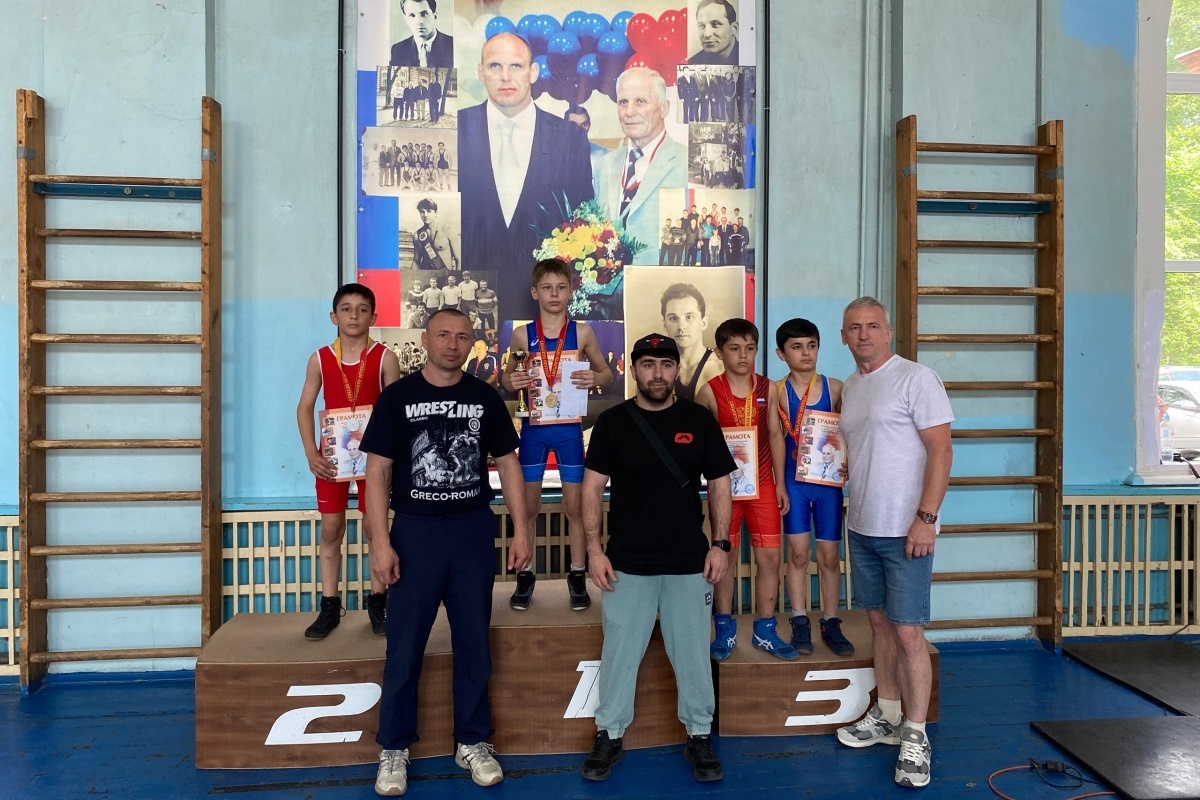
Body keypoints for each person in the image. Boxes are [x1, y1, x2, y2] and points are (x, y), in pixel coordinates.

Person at [363, 309, 530, 796]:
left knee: (474, 643)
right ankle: (394, 747)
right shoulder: (397, 398)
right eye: (443, 335)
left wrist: (522, 530)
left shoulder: (484, 397)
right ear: (425, 339)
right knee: (404, 646)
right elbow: (377, 474)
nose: (452, 344)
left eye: (461, 337)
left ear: (471, 343)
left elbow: (509, 465)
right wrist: (380, 542)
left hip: (472, 530)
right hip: (414, 533)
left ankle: (472, 740)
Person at [579, 333, 735, 783]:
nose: (658, 374)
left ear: (676, 370)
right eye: (648, 365)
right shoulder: (613, 422)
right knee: (619, 654)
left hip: (689, 562)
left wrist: (720, 544)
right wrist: (594, 550)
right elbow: (592, 489)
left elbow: (720, 484)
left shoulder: (698, 420)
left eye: (666, 365)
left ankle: (699, 734)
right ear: (634, 370)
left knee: (692, 654)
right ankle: (609, 734)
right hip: (627, 563)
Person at [834, 297, 954, 790]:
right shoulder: (853, 387)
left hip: (907, 532)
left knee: (908, 634)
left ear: (888, 332)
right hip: (862, 526)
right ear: (844, 336)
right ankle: (885, 715)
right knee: (879, 626)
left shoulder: (916, 378)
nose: (863, 334)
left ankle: (916, 735)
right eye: (854, 327)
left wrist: (926, 518)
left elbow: (941, 450)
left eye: (872, 326)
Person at [501, 259, 613, 611]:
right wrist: (512, 380)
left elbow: (607, 374)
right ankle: (525, 574)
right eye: (547, 288)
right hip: (534, 430)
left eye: (561, 287)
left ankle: (577, 575)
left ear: (570, 291)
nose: (554, 294)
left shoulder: (583, 333)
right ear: (535, 292)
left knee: (575, 508)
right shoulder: (522, 335)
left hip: (568, 430)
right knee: (529, 507)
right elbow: (507, 378)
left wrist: (595, 378)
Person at [458, 33, 593, 322]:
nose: (506, 77)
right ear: (481, 72)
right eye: (495, 66)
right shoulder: (453, 131)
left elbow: (582, 224)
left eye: (516, 66)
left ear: (533, 72)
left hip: (546, 312)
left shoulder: (570, 139)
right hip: (467, 308)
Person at [295, 283, 402, 640]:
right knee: (331, 530)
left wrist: (391, 457)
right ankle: (329, 605)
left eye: (361, 309)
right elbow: (304, 407)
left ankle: (378, 602)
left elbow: (395, 413)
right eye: (346, 308)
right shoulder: (320, 358)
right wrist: (311, 453)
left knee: (375, 529)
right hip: (332, 457)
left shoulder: (385, 357)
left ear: (374, 316)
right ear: (333, 316)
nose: (353, 315)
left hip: (374, 458)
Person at [694, 319, 793, 660]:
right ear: (719, 352)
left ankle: (765, 630)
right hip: (725, 488)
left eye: (750, 348)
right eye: (734, 349)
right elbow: (699, 444)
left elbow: (776, 435)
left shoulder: (768, 387)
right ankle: (724, 629)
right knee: (725, 557)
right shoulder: (709, 392)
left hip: (762, 483)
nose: (743, 355)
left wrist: (780, 483)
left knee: (770, 557)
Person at [773, 318, 855, 658]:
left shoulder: (835, 388)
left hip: (826, 484)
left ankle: (831, 622)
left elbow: (851, 431)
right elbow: (776, 438)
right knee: (797, 554)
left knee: (829, 557)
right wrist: (779, 484)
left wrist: (850, 461)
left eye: (811, 345)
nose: (805, 353)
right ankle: (799, 620)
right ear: (781, 354)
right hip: (794, 483)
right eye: (796, 347)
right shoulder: (776, 391)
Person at [592, 68, 688, 262]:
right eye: (623, 102)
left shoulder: (688, 164)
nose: (629, 112)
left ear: (664, 108)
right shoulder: (604, 165)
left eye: (640, 101)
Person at [661, 283, 723, 402]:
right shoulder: (657, 371)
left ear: (703, 323)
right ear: (664, 324)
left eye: (689, 317)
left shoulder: (721, 368)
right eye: (673, 318)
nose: (681, 326)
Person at [390, 0, 454, 68]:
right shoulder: (398, 50)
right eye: (412, 15)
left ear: (434, 16)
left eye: (424, 14)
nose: (419, 21)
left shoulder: (453, 45)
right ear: (406, 20)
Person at [412, 197, 459, 272]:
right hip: (426, 275)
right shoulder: (417, 235)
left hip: (445, 274)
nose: (425, 215)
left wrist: (457, 276)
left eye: (429, 211)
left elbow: (458, 259)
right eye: (422, 212)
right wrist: (413, 276)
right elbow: (416, 261)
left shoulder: (448, 231)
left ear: (436, 213)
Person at [688, 0, 739, 66]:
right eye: (702, 26)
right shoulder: (692, 63)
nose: (707, 34)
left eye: (715, 25)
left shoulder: (747, 57)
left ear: (734, 28)